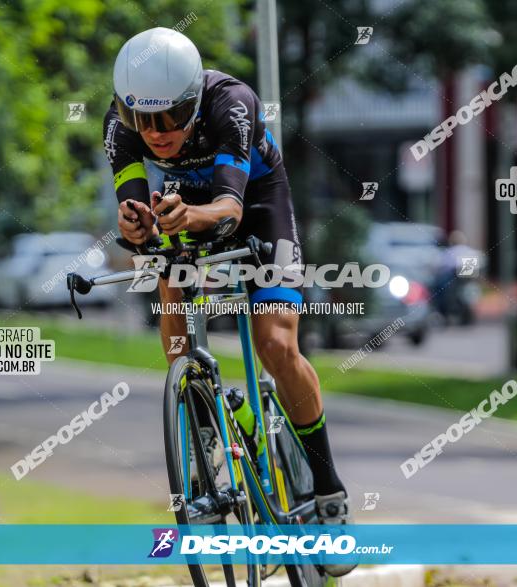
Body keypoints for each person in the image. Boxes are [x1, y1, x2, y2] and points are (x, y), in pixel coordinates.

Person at [103, 27, 354, 576]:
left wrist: (189, 218)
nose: (156, 133)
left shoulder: (232, 105)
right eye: (142, 120)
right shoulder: (120, 129)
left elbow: (230, 211)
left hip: (253, 201)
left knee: (274, 342)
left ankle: (328, 488)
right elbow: (133, 210)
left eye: (170, 118)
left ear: (194, 101)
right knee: (172, 282)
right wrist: (137, 222)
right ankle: (201, 415)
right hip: (185, 206)